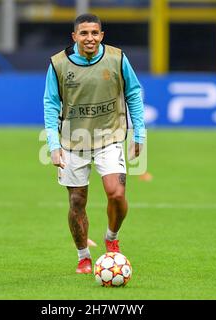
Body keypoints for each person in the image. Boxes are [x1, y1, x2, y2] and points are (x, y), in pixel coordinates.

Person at [43, 13, 146, 274]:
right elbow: (51, 104)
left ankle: (111, 237)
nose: (89, 38)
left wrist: (139, 134)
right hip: (72, 140)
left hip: (109, 136)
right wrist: (53, 146)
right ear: (75, 36)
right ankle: (83, 256)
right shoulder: (58, 64)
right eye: (84, 33)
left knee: (117, 192)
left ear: (102, 35)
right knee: (77, 201)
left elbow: (133, 93)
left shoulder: (117, 58)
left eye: (94, 33)